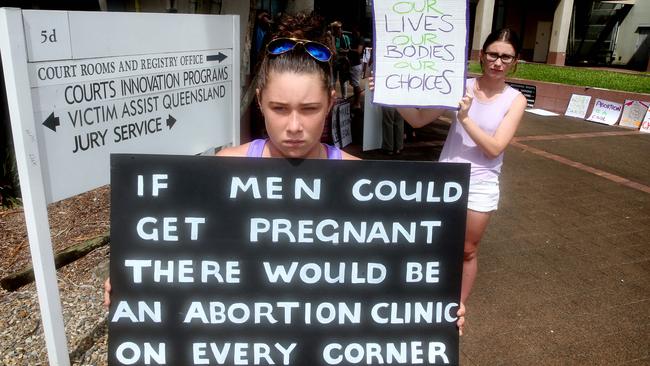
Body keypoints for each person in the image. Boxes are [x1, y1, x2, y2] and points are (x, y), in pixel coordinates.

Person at [104, 13, 464, 334]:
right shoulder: (223, 169)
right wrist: (139, 284)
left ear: (332, 100)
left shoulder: (362, 182)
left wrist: (430, 310)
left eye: (309, 109)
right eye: (279, 108)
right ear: (259, 100)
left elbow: (388, 273)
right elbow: (184, 258)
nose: (294, 126)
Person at [391, 28, 527, 303]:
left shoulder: (516, 100)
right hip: (446, 179)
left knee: (467, 250)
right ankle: (426, 300)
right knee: (433, 244)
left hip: (481, 183)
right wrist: (389, 95)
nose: (497, 62)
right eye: (493, 54)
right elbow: (418, 120)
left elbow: (494, 148)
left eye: (506, 57)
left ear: (515, 61)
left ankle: (457, 306)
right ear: (481, 55)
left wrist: (465, 119)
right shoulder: (459, 86)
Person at [330, 21, 351, 99]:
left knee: (343, 80)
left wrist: (344, 51)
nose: (339, 29)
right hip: (334, 61)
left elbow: (349, 49)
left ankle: (344, 97)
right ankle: (333, 97)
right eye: (337, 28)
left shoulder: (345, 37)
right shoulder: (332, 38)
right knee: (333, 80)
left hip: (343, 61)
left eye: (340, 28)